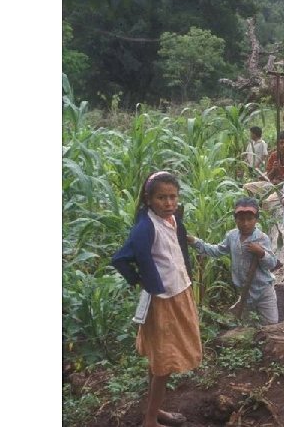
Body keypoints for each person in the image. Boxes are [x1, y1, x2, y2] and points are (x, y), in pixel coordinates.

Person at [111, 171, 201, 427]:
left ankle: (155, 410)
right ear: (149, 199)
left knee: (160, 361)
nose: (169, 202)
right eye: (162, 197)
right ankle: (150, 420)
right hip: (163, 300)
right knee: (163, 363)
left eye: (173, 197)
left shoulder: (173, 220)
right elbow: (120, 258)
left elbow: (178, 251)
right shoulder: (145, 227)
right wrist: (142, 280)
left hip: (179, 292)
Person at [187, 197, 279, 325]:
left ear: (256, 220)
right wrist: (195, 242)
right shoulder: (232, 236)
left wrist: (261, 253)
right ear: (235, 220)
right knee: (248, 326)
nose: (245, 223)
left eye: (249, 219)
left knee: (271, 324)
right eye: (241, 219)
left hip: (263, 290)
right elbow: (217, 250)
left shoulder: (261, 238)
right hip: (245, 293)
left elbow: (272, 264)